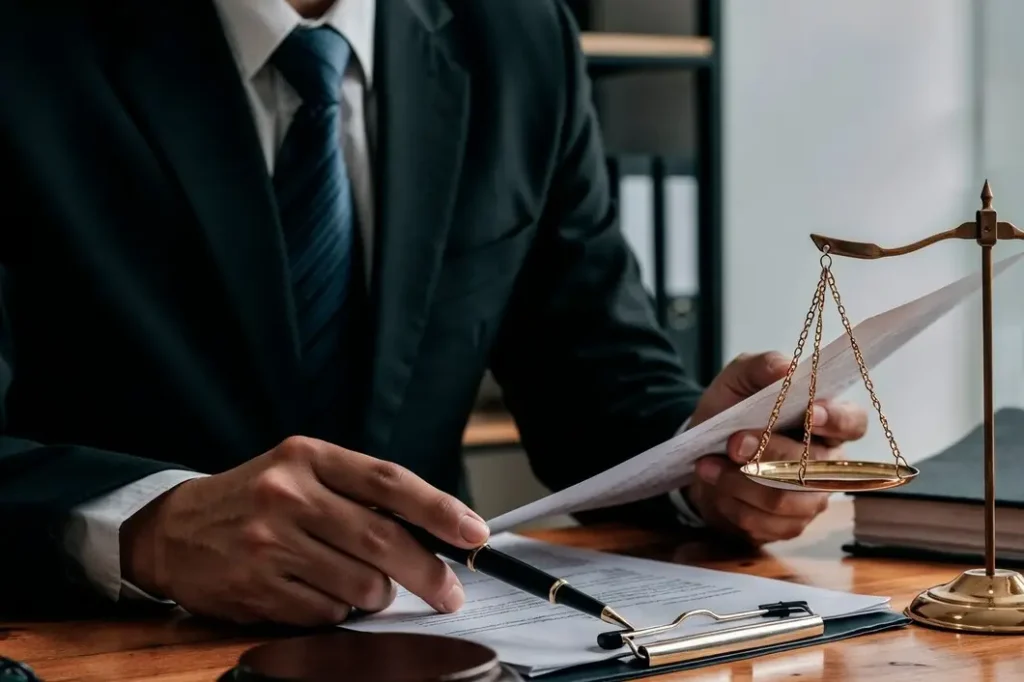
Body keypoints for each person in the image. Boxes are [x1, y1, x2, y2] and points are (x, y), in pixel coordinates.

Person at [0, 0, 867, 626]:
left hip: (439, 628)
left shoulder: (519, 37)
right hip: (104, 637)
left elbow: (598, 384)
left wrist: (709, 464)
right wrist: (147, 528)